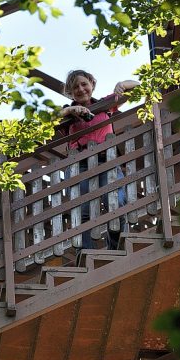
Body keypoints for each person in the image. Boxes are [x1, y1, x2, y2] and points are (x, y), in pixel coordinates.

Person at [59, 69, 138, 254]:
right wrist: (71, 110)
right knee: (84, 210)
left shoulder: (105, 105)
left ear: (92, 84)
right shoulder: (68, 114)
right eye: (75, 87)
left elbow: (138, 89)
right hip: (80, 164)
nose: (81, 89)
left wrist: (123, 84)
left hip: (106, 161)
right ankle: (85, 252)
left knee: (117, 203)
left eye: (84, 84)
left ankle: (116, 246)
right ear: (70, 93)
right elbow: (49, 119)